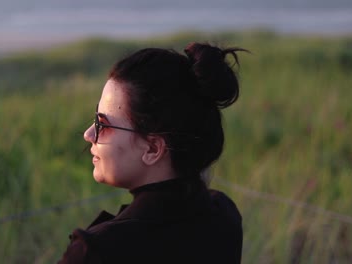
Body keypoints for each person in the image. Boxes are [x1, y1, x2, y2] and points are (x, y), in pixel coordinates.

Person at [58, 42, 247, 264]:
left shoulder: (97, 252)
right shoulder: (223, 215)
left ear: (153, 148)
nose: (89, 134)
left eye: (103, 124)